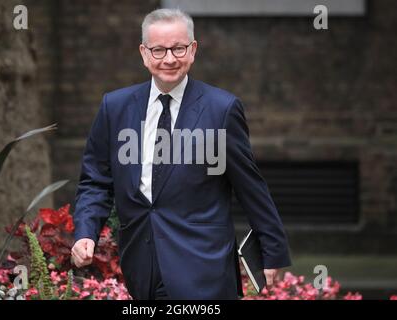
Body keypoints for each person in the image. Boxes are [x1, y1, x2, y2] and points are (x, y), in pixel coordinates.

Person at [71, 8, 291, 300]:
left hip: (204, 267)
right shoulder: (115, 107)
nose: (170, 59)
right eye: (159, 50)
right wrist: (86, 232)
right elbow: (95, 181)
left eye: (178, 48)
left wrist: (272, 250)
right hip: (141, 263)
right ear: (144, 53)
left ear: (193, 49)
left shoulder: (221, 109)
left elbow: (250, 186)